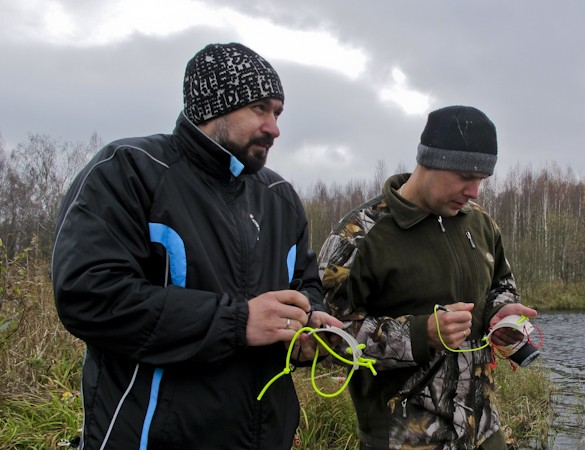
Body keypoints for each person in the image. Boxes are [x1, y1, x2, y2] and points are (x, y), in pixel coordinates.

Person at [51, 42, 341, 449]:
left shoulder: (280, 197)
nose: (274, 127)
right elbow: (88, 296)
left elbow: (306, 286)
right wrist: (237, 322)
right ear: (213, 108)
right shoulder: (131, 170)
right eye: (259, 108)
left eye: (277, 112)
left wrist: (309, 326)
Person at [318, 105, 539, 450]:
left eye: (481, 180)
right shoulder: (358, 237)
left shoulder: (479, 223)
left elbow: (501, 283)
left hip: (484, 431)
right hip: (403, 440)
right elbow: (328, 336)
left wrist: (501, 310)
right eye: (466, 178)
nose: (475, 192)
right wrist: (421, 334)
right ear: (430, 161)